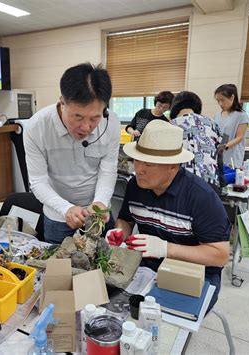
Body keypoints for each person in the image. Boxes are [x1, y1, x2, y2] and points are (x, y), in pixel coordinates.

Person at [106, 120, 230, 310]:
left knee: (161, 321)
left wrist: (166, 249)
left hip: (193, 272)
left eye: (148, 163)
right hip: (148, 266)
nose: (139, 169)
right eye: (137, 160)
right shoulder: (135, 185)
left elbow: (219, 255)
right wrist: (120, 233)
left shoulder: (201, 197)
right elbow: (126, 219)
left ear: (173, 166)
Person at [23, 63, 120, 244]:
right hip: (58, 214)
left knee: (106, 264)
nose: (86, 127)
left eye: (94, 118)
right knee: (59, 269)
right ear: (62, 102)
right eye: (78, 117)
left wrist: (101, 202)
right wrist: (65, 208)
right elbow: (38, 181)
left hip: (98, 210)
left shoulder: (111, 122)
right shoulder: (37, 127)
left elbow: (108, 170)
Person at [170, 91, 224, 193]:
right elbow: (220, 151)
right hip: (209, 183)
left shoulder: (171, 126)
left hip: (180, 183)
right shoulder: (213, 124)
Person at [214, 84, 248, 168]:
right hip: (218, 154)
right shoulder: (217, 115)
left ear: (232, 97)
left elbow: (239, 137)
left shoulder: (241, 115)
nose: (220, 103)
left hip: (233, 155)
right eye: (218, 101)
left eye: (222, 100)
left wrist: (225, 146)